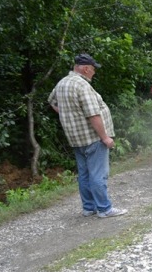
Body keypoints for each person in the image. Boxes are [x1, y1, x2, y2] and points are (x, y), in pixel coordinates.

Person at [48, 54, 127, 218]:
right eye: (92, 69)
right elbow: (93, 115)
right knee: (98, 174)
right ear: (85, 68)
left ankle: (89, 207)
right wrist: (105, 137)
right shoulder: (82, 86)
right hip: (92, 138)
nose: (94, 72)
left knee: (84, 174)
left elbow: (52, 102)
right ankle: (104, 209)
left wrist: (69, 115)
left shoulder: (62, 83)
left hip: (76, 138)